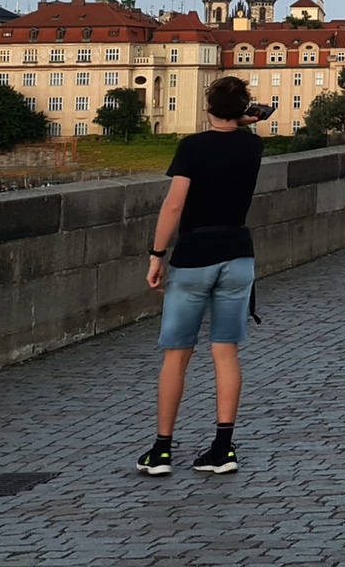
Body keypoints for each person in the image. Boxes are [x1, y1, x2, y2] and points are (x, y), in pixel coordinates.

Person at [137, 76, 265, 477]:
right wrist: (241, 118)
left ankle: (161, 450)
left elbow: (174, 206)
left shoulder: (191, 147)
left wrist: (157, 254)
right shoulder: (253, 145)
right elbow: (244, 125)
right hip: (238, 255)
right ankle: (223, 447)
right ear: (243, 109)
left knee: (177, 354)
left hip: (194, 256)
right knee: (225, 351)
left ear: (206, 107)